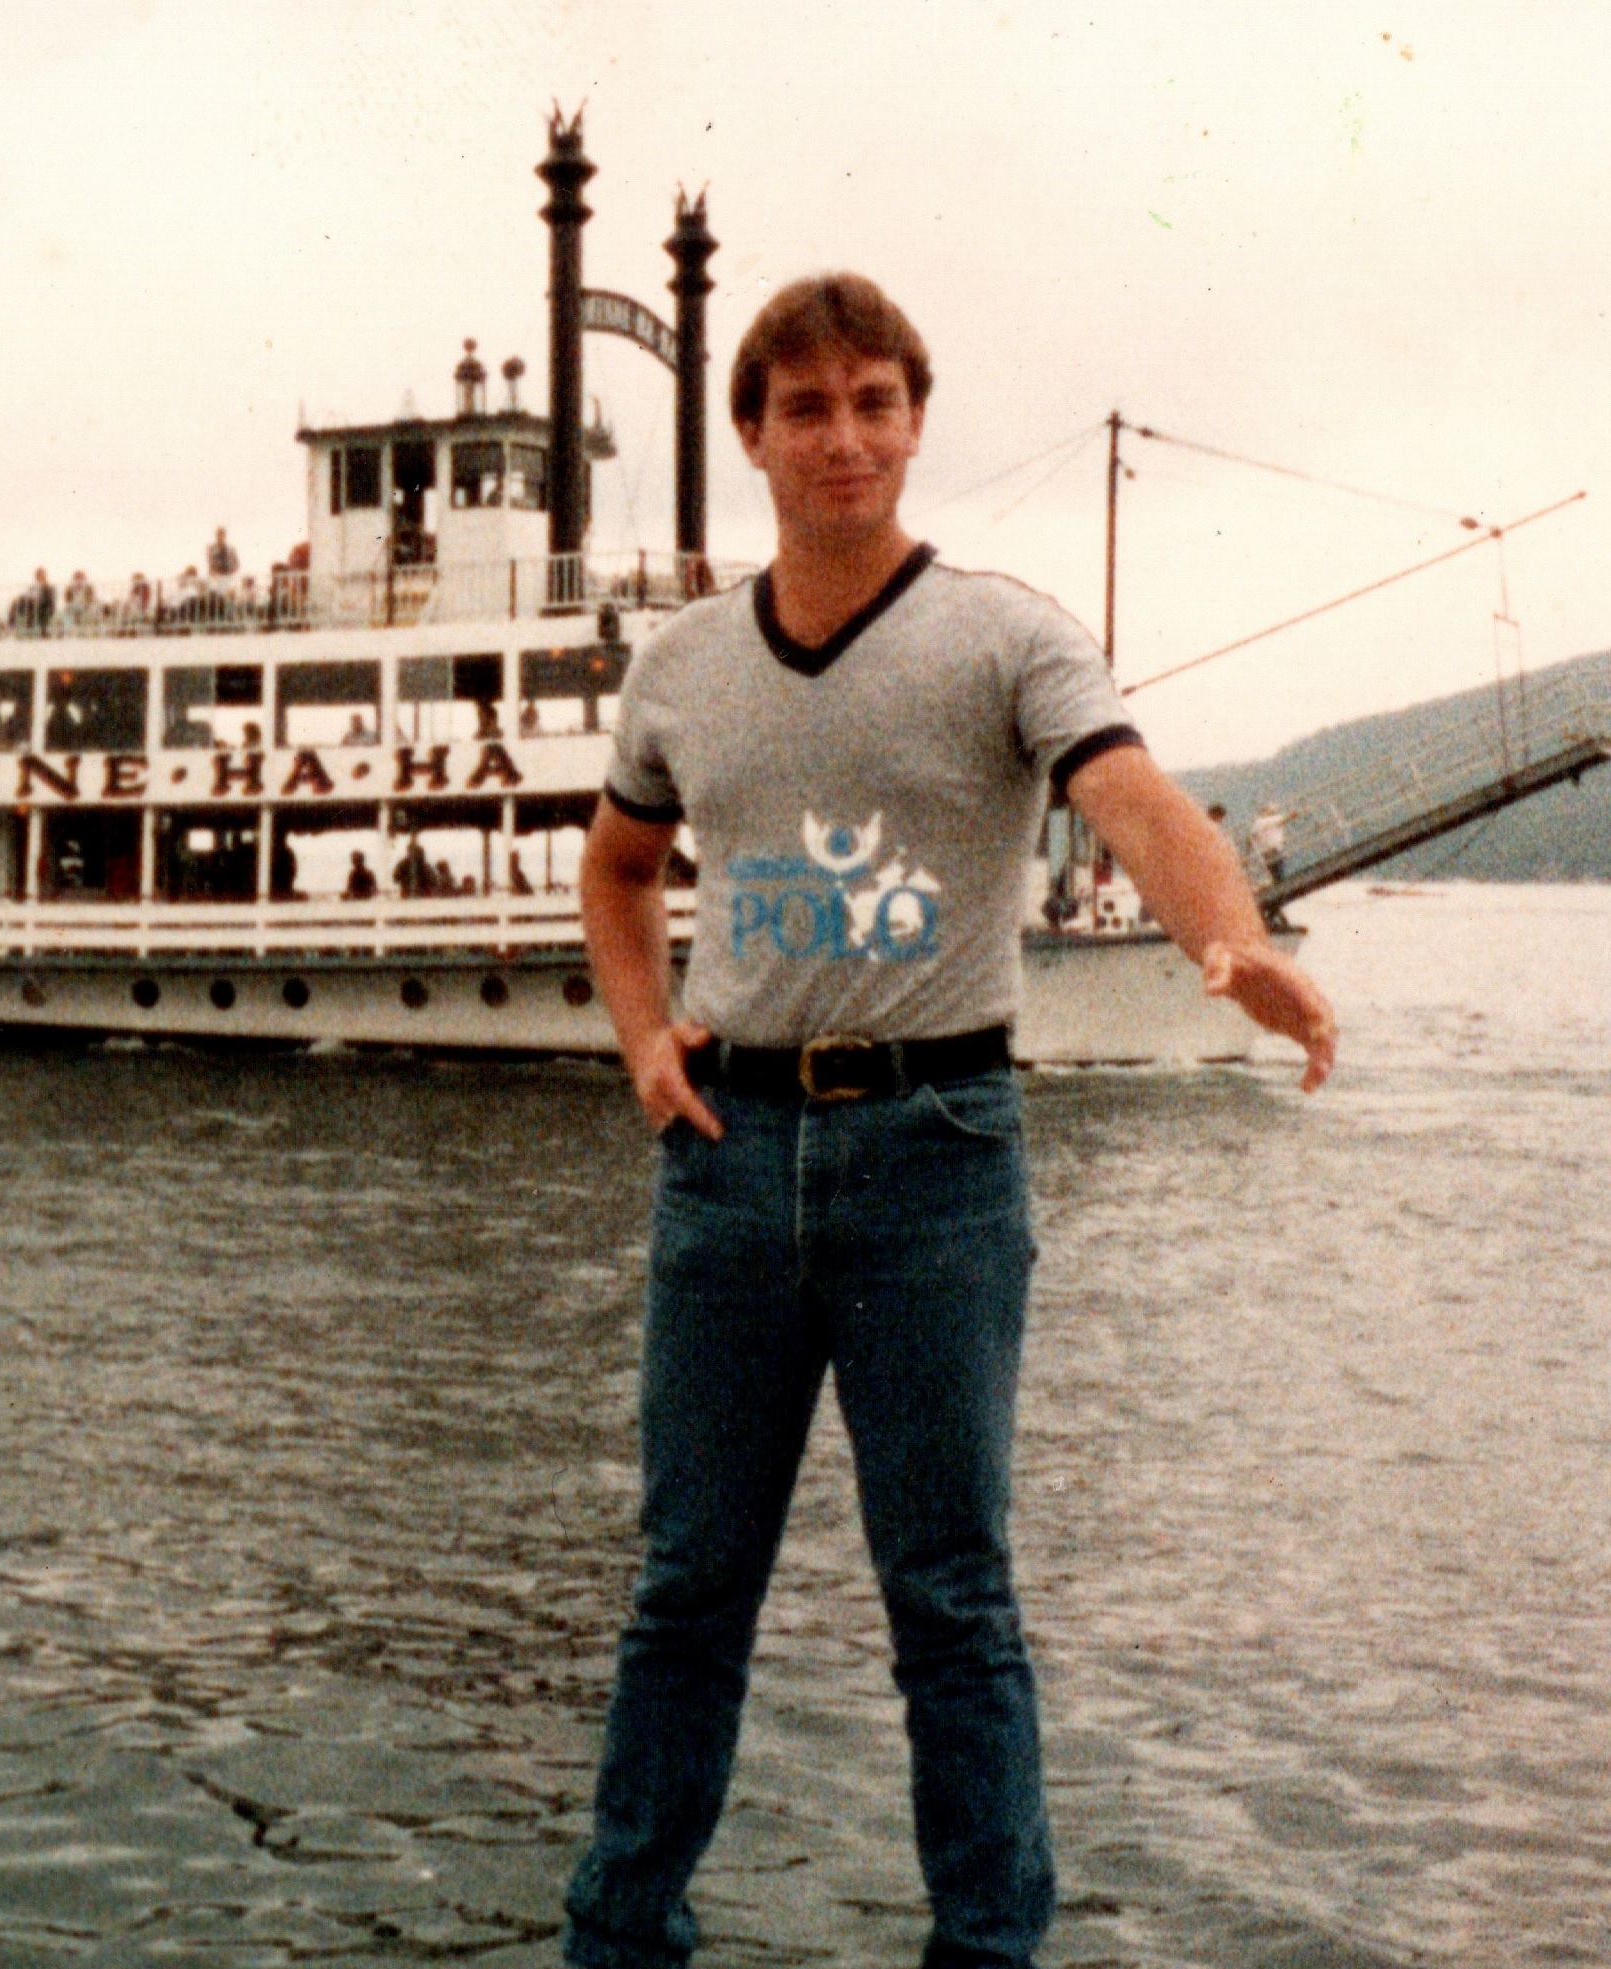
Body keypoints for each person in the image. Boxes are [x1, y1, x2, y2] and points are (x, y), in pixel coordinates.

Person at [563, 273, 1336, 1969]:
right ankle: (617, 1943)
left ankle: (986, 1952)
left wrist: (1230, 944)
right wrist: (642, 1043)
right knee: (686, 1593)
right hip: (727, 1161)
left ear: (914, 421)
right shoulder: (682, 666)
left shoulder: (1004, 635)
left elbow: (1130, 795)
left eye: (874, 402)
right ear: (752, 432)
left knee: (951, 1600)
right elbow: (617, 868)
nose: (843, 436)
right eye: (806, 406)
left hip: (938, 1156)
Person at [1251, 801, 1289, 884]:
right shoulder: (1266, 821)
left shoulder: (1257, 823)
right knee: (1278, 868)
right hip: (1273, 849)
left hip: (1265, 851)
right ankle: (1280, 883)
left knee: (1274, 870)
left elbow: (1253, 837)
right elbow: (1284, 819)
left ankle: (1277, 882)